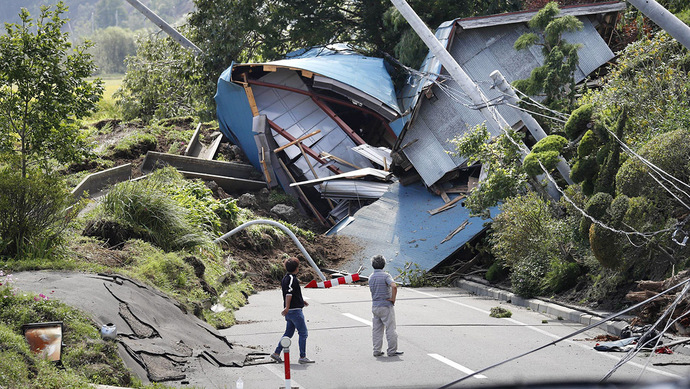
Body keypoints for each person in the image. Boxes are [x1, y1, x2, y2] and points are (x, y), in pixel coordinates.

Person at [270, 257, 315, 364]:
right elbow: (289, 293)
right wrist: (287, 307)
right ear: (296, 268)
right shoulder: (291, 279)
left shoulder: (286, 278)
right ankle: (302, 356)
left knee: (288, 333)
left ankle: (276, 353)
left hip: (291, 311)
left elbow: (293, 294)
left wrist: (301, 301)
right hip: (294, 311)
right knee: (303, 333)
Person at [369, 254, 403, 357]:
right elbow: (394, 286)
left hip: (375, 306)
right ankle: (392, 350)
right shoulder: (386, 276)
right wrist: (393, 299)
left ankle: (376, 350)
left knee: (377, 330)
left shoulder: (371, 277)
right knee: (390, 328)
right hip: (386, 306)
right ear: (384, 264)